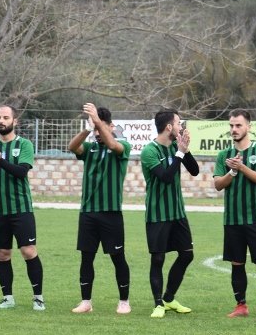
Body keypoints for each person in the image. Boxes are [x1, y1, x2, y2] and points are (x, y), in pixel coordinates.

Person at [0, 105, 44, 311]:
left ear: (15, 121)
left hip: (21, 208)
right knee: (3, 254)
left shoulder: (24, 144)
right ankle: (8, 298)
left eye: (6, 117)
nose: (1, 121)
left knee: (28, 251)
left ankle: (38, 298)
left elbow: (21, 172)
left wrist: (1, 162)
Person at [67, 103, 132, 314]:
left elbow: (114, 145)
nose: (97, 132)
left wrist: (97, 121)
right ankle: (86, 301)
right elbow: (72, 147)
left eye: (100, 127)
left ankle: (124, 301)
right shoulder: (90, 148)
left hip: (111, 212)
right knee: (87, 257)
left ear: (111, 126)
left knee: (117, 258)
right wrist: (88, 128)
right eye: (95, 129)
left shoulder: (122, 145)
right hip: (88, 211)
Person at [214, 109, 256, 319]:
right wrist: (231, 172)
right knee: (237, 264)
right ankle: (241, 305)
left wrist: (241, 167)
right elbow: (217, 185)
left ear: (249, 127)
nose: (234, 129)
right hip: (233, 220)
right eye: (231, 126)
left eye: (238, 125)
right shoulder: (224, 155)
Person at [140, 109, 199, 318]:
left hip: (177, 213)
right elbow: (165, 176)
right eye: (178, 123)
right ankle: (158, 304)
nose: (181, 126)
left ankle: (169, 297)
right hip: (158, 214)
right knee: (158, 259)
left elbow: (195, 170)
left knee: (187, 254)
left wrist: (184, 149)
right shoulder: (149, 151)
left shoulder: (176, 146)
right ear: (168, 127)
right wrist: (180, 152)